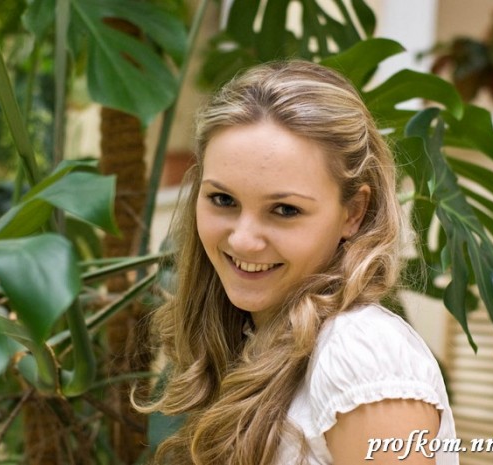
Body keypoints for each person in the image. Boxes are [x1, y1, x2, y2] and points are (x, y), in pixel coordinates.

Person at [135, 60, 459, 464]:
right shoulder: (253, 335)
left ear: (353, 212)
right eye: (223, 199)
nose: (243, 239)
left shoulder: (361, 357)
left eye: (285, 210)